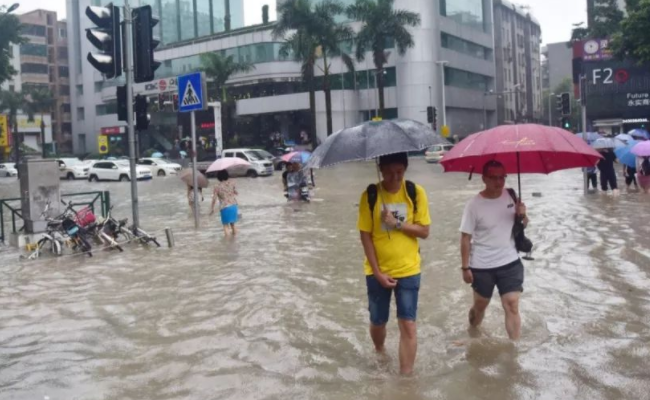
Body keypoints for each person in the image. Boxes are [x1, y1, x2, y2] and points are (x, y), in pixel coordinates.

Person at [357, 153, 431, 375]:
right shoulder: (370, 195)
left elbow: (424, 231)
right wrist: (378, 273)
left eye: (399, 172)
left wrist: (396, 223)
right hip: (377, 272)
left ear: (406, 169)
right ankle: (379, 349)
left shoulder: (415, 193)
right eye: (389, 172)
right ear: (381, 169)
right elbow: (365, 236)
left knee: (408, 324)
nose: (394, 177)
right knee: (378, 321)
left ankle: (406, 378)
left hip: (409, 270)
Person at [459, 160, 528, 341]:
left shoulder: (511, 196)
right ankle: (473, 328)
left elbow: (523, 226)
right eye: (494, 178)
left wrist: (523, 215)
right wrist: (465, 268)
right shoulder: (473, 205)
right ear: (484, 179)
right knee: (481, 305)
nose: (499, 182)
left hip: (510, 260)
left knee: (512, 304)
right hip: (482, 265)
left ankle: (515, 351)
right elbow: (465, 237)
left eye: (502, 177)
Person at [210, 170, 239, 236]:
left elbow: (214, 199)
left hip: (225, 207)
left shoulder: (217, 186)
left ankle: (227, 243)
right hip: (234, 206)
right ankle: (235, 240)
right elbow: (236, 193)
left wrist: (212, 208)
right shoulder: (232, 184)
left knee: (225, 225)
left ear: (218, 177)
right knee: (233, 224)